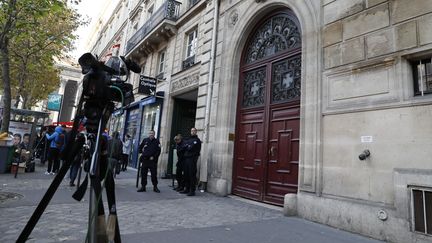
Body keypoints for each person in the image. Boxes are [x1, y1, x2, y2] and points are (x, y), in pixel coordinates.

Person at [181, 128, 201, 196]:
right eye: (192, 131)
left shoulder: (197, 140)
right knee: (186, 174)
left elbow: (191, 148)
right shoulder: (188, 139)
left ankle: (192, 190)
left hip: (192, 159)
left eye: (194, 131)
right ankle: (187, 189)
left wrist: (188, 146)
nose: (192, 132)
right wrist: (188, 146)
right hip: (186, 158)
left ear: (196, 132)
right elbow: (183, 147)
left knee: (191, 175)